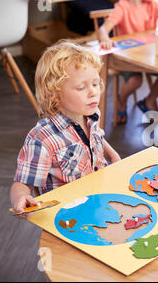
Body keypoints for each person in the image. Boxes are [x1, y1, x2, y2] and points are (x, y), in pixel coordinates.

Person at [10, 40, 121, 217]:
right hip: (67, 216)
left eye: (95, 83)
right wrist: (21, 197)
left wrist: (113, 155)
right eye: (81, 87)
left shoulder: (91, 114)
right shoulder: (42, 139)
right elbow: (22, 183)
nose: (93, 92)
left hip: (99, 198)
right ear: (54, 95)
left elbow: (96, 138)